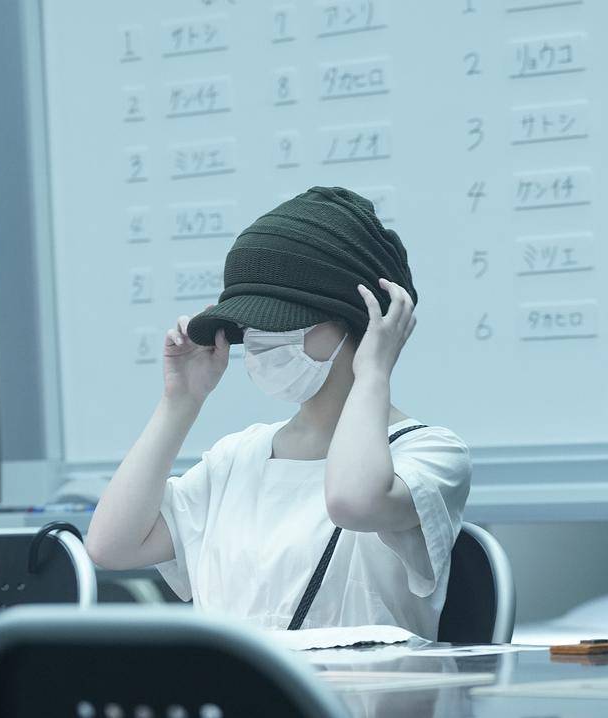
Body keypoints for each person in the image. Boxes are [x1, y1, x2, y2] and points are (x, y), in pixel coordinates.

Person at [86, 187, 471, 638]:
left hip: (366, 686)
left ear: (361, 321)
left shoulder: (430, 453)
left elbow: (353, 502)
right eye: (250, 325)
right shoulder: (237, 457)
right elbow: (111, 546)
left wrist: (373, 373)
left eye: (282, 321)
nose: (260, 339)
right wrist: (181, 400)